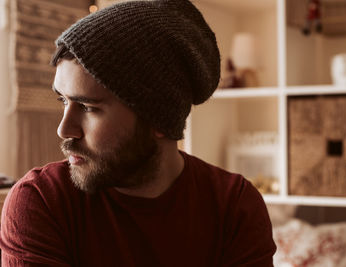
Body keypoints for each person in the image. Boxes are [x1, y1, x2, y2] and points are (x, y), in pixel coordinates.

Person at [0, 0, 276, 266]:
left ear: (156, 118)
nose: (64, 129)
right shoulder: (41, 201)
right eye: (63, 100)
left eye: (87, 107)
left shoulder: (234, 207)